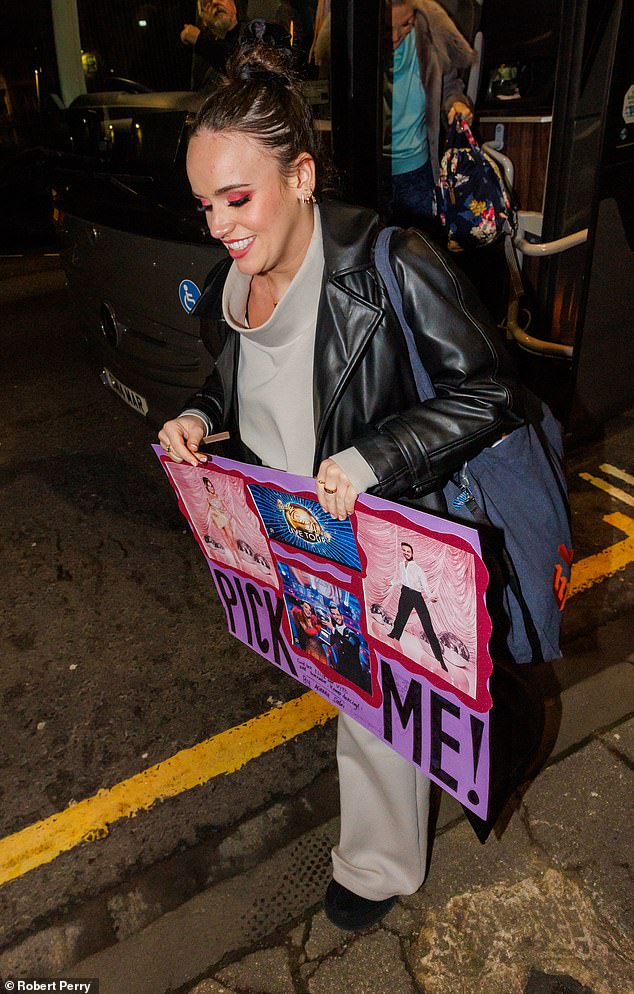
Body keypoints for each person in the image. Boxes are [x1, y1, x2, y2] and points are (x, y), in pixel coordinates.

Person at [158, 41, 524, 931]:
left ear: (303, 176)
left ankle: (378, 864)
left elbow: (494, 387)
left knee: (372, 708)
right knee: (346, 688)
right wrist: (202, 417)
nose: (219, 227)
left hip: (388, 524)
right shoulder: (227, 287)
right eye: (206, 204)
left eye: (237, 199)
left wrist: (375, 460)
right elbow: (244, 375)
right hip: (296, 536)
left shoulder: (389, 262)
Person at [383, 0, 476, 233]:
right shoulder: (359, 39)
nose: (395, 37)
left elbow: (450, 86)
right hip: (372, 173)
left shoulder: (431, 38)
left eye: (405, 24)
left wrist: (456, 104)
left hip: (417, 171)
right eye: (386, 27)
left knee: (421, 256)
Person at [385, 541, 447, 670]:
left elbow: (424, 584)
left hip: (416, 596)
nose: (406, 553)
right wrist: (391, 582)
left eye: (408, 551)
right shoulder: (402, 565)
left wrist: (430, 596)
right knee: (400, 616)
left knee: (427, 626)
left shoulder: (417, 569)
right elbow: (401, 579)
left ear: (412, 553)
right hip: (405, 592)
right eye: (404, 551)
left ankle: (440, 660)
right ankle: (394, 636)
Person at [180, 0, 240, 88]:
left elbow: (240, 65)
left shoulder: (257, 31)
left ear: (234, 6)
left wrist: (199, 40)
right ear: (203, 21)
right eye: (206, 3)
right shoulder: (202, 60)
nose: (215, 2)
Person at [325, 604, 372, 694]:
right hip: (341, 671)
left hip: (354, 675)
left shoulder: (352, 633)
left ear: (343, 616)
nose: (335, 617)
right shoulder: (334, 630)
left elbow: (349, 646)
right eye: (333, 614)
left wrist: (333, 630)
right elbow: (329, 643)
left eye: (337, 615)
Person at [202, 477, 241, 566]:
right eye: (209, 486)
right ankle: (234, 557)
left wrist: (234, 516)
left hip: (223, 517)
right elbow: (208, 509)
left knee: (231, 537)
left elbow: (226, 507)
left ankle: (238, 555)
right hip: (216, 519)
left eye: (211, 485)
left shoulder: (217, 495)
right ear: (206, 487)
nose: (211, 488)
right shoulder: (208, 498)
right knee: (225, 538)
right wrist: (208, 519)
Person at [291, 599, 327, 664]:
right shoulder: (299, 614)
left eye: (310, 609)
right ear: (302, 606)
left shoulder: (314, 619)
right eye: (306, 607)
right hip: (309, 648)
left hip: (318, 649)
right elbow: (308, 631)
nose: (308, 611)